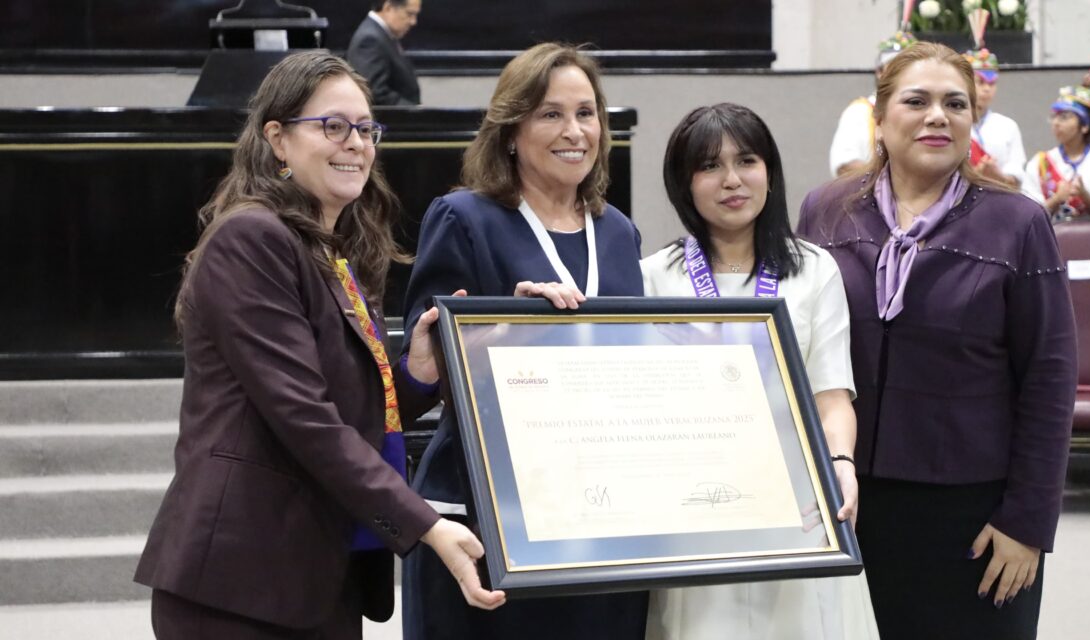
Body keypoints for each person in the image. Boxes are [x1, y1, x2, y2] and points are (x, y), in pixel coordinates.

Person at [133, 51, 503, 639]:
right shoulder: (251, 239)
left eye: (366, 128)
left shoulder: (335, 253)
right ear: (277, 139)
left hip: (316, 573)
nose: (355, 142)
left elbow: (352, 410)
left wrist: (421, 373)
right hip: (241, 580)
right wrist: (426, 522)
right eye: (332, 126)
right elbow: (303, 417)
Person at [797, 42, 1077, 639]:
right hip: (849, 500)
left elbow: (1049, 379)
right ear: (880, 116)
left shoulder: (1018, 222)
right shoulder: (826, 212)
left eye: (956, 103)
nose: (937, 116)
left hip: (975, 516)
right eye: (916, 101)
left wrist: (1027, 522)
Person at [399, 43, 648, 639]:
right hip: (486, 512)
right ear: (511, 130)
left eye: (586, 113)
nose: (574, 131)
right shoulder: (465, 218)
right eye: (550, 114)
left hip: (599, 510)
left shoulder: (618, 232)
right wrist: (501, 332)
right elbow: (422, 372)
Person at [641, 103, 879, 640]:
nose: (731, 180)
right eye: (709, 166)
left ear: (769, 171)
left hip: (797, 499)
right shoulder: (653, 278)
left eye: (746, 161)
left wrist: (839, 462)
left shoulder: (814, 269)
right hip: (694, 504)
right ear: (685, 184)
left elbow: (832, 394)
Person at [1022, 50, 1090, 227]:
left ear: (1085, 126)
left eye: (1065, 117)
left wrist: (1085, 195)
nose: (1056, 123)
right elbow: (1026, 217)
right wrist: (1056, 199)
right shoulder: (1039, 163)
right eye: (1054, 117)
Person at [829, 29, 917, 179]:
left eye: (909, 67)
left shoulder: (928, 114)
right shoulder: (860, 112)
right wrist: (895, 185)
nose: (903, 73)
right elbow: (845, 165)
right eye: (895, 67)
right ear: (880, 72)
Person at [963, 9, 1026, 189]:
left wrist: (995, 175)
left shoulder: (1007, 126)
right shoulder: (951, 122)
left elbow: (1017, 178)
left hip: (999, 199)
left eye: (992, 84)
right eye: (980, 82)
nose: (987, 89)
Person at [347, 0, 422, 106]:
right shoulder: (370, 39)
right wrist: (414, 110)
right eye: (409, 14)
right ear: (388, 7)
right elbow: (374, 92)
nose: (413, 22)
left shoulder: (383, 35)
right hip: (392, 120)